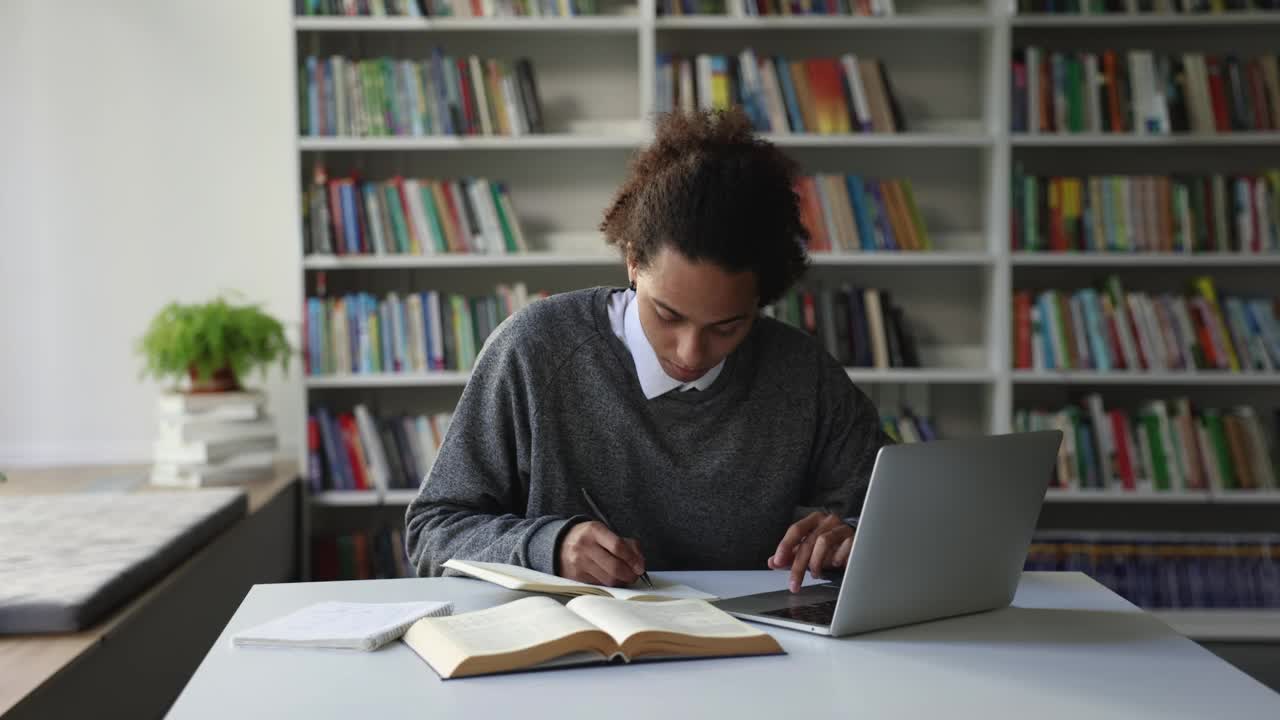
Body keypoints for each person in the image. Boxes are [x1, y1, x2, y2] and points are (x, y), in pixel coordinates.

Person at [405, 108, 891, 594]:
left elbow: (899, 519)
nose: (691, 351)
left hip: (758, 651)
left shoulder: (804, 376)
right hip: (574, 653)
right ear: (633, 261)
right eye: (668, 314)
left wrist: (850, 535)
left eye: (727, 326)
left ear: (762, 300)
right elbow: (431, 532)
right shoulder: (535, 352)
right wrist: (548, 547)